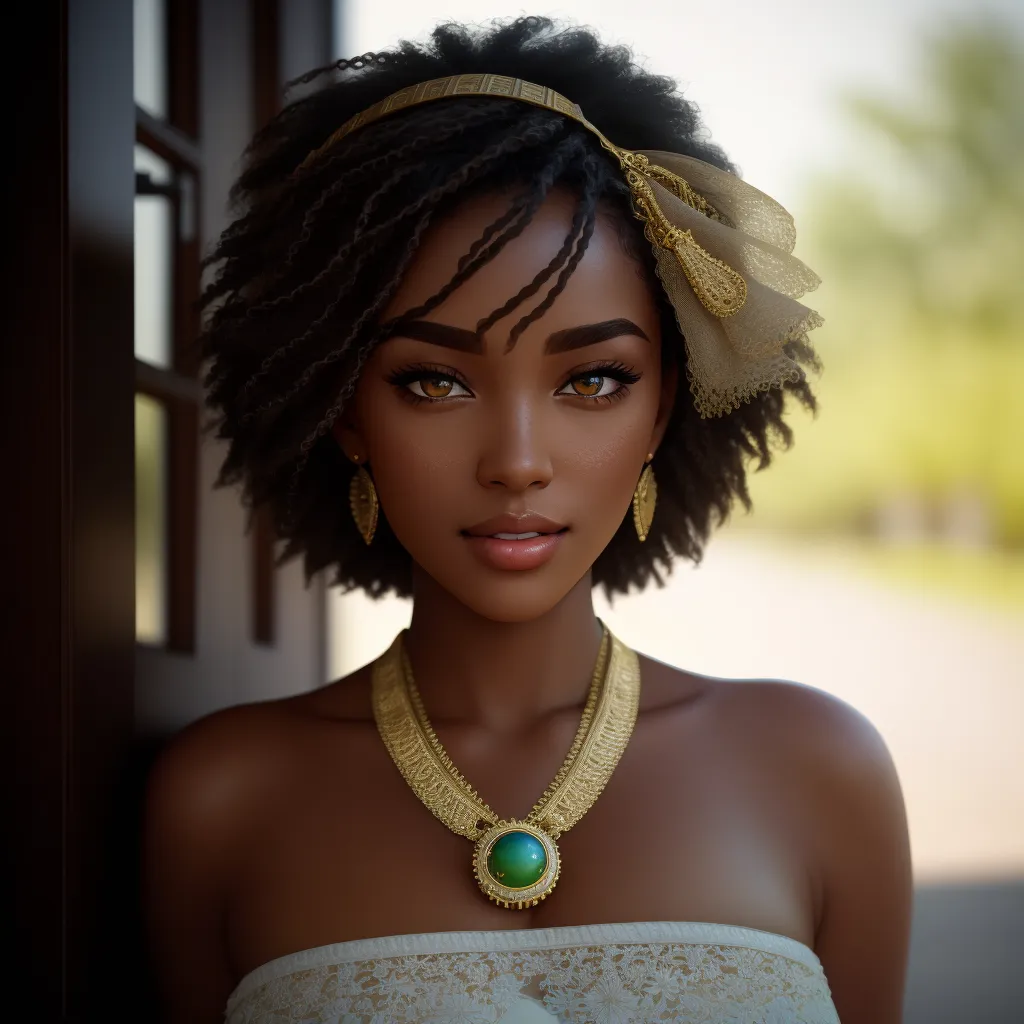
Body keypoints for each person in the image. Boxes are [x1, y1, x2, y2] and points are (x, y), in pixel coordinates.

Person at [142, 16, 912, 1024]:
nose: (516, 460)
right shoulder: (222, 798)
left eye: (593, 378)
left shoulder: (820, 766)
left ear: (662, 410)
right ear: (343, 417)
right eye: (432, 382)